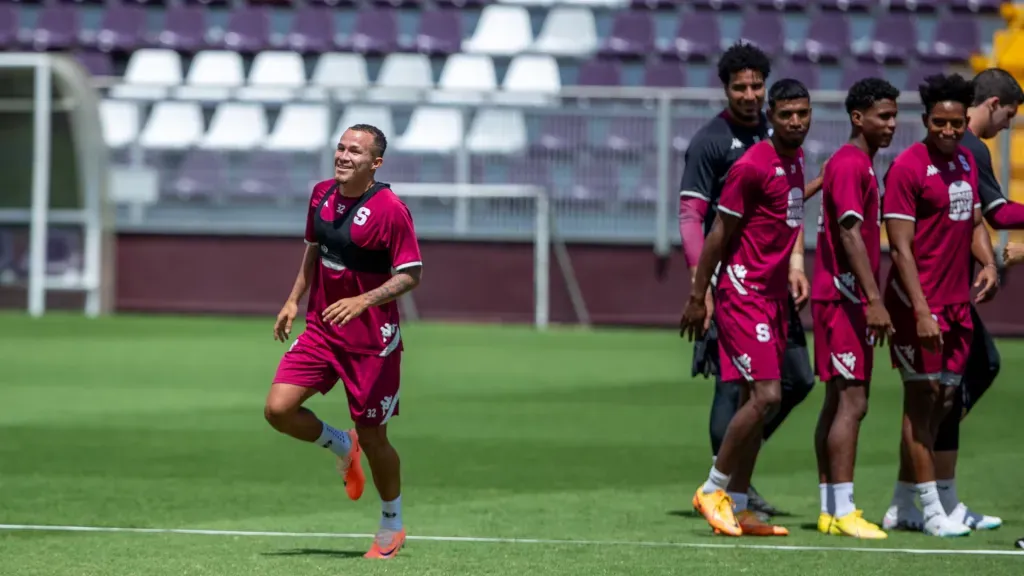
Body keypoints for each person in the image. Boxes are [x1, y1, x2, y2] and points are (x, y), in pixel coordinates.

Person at [263, 124, 423, 559]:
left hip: (372, 341)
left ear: (376, 163)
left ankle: (392, 523)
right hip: (321, 329)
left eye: (355, 151)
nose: (344, 155)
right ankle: (339, 443)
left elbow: (411, 274)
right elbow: (314, 250)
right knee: (278, 409)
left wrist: (362, 301)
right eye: (340, 147)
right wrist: (293, 300)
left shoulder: (391, 210)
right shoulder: (320, 194)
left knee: (375, 437)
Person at [678, 42, 817, 518]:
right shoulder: (712, 142)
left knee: (795, 379)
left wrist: (797, 264)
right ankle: (725, 487)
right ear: (725, 89)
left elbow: (790, 205)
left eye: (757, 85)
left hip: (774, 283)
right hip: (734, 282)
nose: (750, 94)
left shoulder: (779, 133)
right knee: (738, 386)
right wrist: (704, 284)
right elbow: (693, 216)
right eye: (740, 86)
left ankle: (733, 479)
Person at [883, 68, 1024, 534]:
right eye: (939, 123)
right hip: (918, 303)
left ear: (966, 119)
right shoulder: (908, 166)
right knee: (923, 399)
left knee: (945, 397)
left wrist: (986, 263)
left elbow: (975, 219)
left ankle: (908, 504)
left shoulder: (965, 160)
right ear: (926, 120)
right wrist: (921, 309)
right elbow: (900, 247)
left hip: (956, 302)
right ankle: (932, 509)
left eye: (955, 123)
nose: (948, 131)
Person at [810, 78, 900, 539]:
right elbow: (848, 235)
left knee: (836, 400)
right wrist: (874, 299)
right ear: (857, 117)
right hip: (844, 299)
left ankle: (829, 507)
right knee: (854, 402)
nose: (892, 124)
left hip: (840, 296)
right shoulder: (850, 165)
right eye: (883, 115)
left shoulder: (853, 164)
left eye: (893, 115)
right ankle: (844, 509)